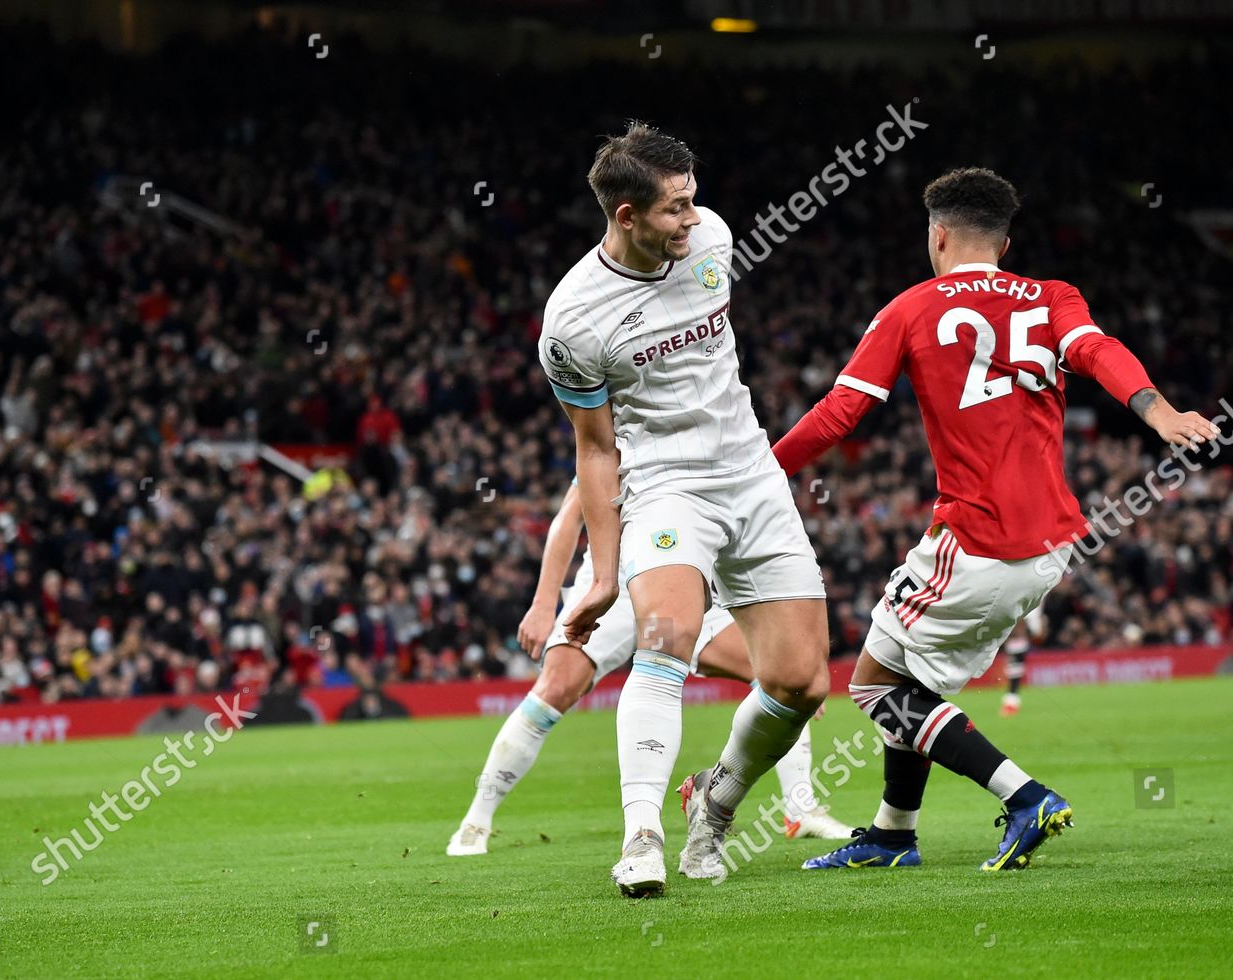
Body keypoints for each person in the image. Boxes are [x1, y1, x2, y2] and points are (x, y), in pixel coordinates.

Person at [765, 167, 1218, 871]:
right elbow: (1097, 351)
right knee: (914, 684)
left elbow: (842, 413)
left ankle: (1024, 795)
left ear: (937, 234)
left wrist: (763, 471)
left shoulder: (911, 308)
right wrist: (1157, 410)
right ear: (1005, 243)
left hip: (975, 538)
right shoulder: (1053, 297)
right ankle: (892, 833)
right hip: (1051, 543)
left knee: (875, 686)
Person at [540, 122, 832, 895]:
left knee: (803, 682)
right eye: (675, 208)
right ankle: (641, 837)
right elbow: (596, 451)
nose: (693, 219)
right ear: (627, 215)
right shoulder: (574, 322)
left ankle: (717, 795)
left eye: (694, 200)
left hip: (753, 472)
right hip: (667, 482)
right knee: (665, 635)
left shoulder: (714, 240)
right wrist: (602, 575)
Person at [447, 481, 852, 856]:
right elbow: (570, 517)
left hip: (680, 581)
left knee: (779, 678)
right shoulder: (618, 427)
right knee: (555, 688)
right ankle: (476, 821)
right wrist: (542, 603)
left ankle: (800, 809)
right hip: (613, 580)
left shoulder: (704, 432)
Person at [1000, 605, 1046, 716]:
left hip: (1019, 637)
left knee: (1015, 670)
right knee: (1014, 670)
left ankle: (1012, 700)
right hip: (1018, 637)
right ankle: (1011, 699)